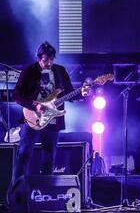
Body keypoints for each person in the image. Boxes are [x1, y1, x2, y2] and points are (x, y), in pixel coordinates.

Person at [9, 41, 91, 188]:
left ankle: (46, 192)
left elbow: (69, 93)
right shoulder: (29, 71)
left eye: (51, 59)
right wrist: (35, 105)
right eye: (45, 60)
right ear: (39, 58)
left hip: (53, 120)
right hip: (32, 119)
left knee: (49, 158)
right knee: (24, 154)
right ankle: (15, 193)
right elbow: (16, 95)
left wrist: (82, 94)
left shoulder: (60, 71)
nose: (48, 63)